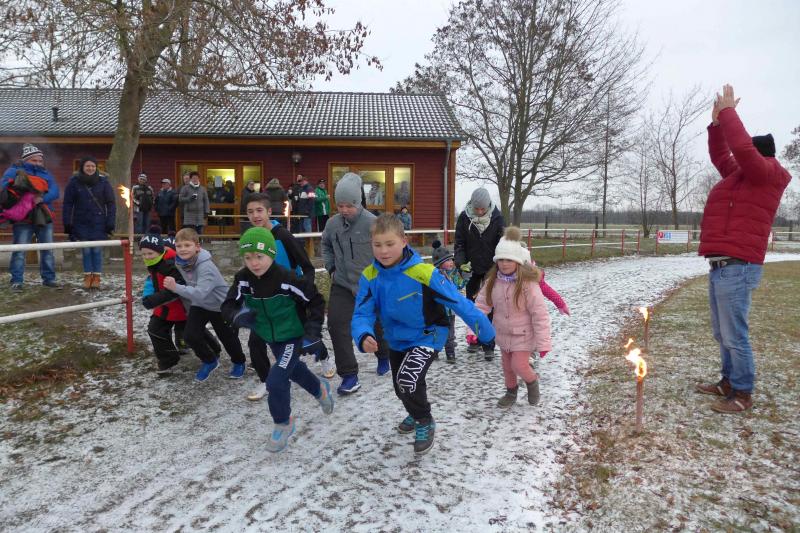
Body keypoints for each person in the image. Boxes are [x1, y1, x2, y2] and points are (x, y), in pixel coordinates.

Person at [352, 214, 495, 455]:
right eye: (377, 245)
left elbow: (458, 302)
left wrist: (486, 333)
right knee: (401, 388)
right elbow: (362, 313)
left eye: (390, 244)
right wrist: (363, 334)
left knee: (408, 380)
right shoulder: (370, 276)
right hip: (396, 339)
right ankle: (414, 410)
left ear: (404, 241)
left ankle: (424, 420)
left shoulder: (424, 273)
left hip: (429, 334)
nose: (383, 251)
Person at [695, 85, 792, 414]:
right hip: (722, 266)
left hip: (738, 267)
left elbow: (740, 148)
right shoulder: (742, 177)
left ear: (758, 156)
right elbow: (722, 156)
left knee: (734, 334)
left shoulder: (767, 174)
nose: (739, 159)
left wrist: (728, 113)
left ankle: (742, 393)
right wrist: (716, 126)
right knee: (722, 333)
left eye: (747, 154)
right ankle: (728, 381)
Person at [222, 227, 334, 452]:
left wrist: (312, 332)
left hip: (293, 335)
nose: (254, 263)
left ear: (271, 254)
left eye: (259, 256)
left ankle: (283, 423)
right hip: (270, 336)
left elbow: (315, 301)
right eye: (248, 257)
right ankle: (319, 389)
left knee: (275, 380)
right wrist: (236, 315)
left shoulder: (287, 278)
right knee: (293, 370)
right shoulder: (243, 279)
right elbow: (228, 304)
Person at [241, 193, 333, 401]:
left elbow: (307, 267)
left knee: (305, 337)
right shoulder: (250, 238)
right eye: (250, 212)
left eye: (259, 210)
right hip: (264, 300)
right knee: (255, 341)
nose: (255, 215)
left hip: (291, 297)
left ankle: (324, 356)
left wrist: (303, 294)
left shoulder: (283, 236)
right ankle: (266, 380)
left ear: (269, 212)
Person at [321, 172, 390, 395]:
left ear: (358, 202)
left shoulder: (373, 223)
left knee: (377, 323)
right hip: (342, 284)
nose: (344, 210)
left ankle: (384, 355)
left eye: (349, 206)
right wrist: (331, 268)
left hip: (369, 285)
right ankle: (349, 375)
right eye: (340, 205)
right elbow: (325, 245)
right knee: (336, 324)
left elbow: (387, 251)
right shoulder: (332, 224)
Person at [475, 227, 552, 408]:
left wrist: (544, 343)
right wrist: (473, 330)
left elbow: (540, 314)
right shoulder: (493, 282)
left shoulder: (528, 284)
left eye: (509, 259)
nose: (504, 264)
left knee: (519, 365)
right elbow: (480, 307)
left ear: (518, 261)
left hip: (524, 334)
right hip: (502, 334)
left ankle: (532, 382)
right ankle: (511, 392)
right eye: (500, 259)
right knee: (508, 367)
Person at [164, 228, 247, 382]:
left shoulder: (205, 266)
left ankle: (239, 362)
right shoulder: (180, 262)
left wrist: (176, 287)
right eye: (179, 246)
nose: (182, 249)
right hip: (200, 304)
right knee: (190, 336)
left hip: (219, 306)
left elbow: (200, 292)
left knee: (227, 338)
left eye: (187, 245)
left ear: (197, 246)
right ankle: (210, 360)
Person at [1, 143, 60, 290]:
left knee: (47, 249)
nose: (38, 163)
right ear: (25, 159)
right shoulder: (14, 171)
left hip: (44, 215)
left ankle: (49, 279)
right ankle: (17, 281)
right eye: (34, 160)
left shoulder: (46, 173)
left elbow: (55, 191)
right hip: (23, 217)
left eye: (40, 160)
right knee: (20, 250)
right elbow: (3, 187)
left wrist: (42, 199)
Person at [455, 187, 505, 358]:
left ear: (488, 206)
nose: (480, 211)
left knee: (489, 306)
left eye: (483, 209)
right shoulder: (464, 218)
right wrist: (461, 264)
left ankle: (488, 344)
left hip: (491, 269)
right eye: (477, 208)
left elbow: (502, 244)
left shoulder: (497, 218)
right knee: (472, 306)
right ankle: (474, 339)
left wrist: (501, 264)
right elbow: (459, 244)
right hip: (472, 269)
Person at [62, 156, 116, 289]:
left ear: (96, 168)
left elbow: (111, 203)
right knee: (86, 250)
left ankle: (97, 277)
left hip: (99, 221)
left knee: (97, 250)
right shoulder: (74, 182)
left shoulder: (104, 182)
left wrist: (110, 221)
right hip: (81, 221)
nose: (90, 168)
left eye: (93, 166)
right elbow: (68, 203)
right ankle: (87, 276)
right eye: (87, 166)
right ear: (82, 167)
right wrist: (67, 223)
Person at [138, 227, 187, 374]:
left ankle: (212, 352)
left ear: (160, 251)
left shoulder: (170, 264)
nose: (147, 257)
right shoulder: (154, 264)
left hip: (182, 307)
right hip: (165, 307)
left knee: (193, 334)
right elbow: (151, 282)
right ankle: (168, 361)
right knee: (155, 330)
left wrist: (154, 299)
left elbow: (177, 287)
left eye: (150, 253)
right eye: (144, 254)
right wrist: (148, 296)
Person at [431, 240, 469, 363]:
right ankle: (434, 352)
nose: (451, 262)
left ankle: (450, 353)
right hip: (437, 310)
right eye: (447, 260)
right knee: (437, 332)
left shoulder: (453, 274)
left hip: (450, 311)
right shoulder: (434, 276)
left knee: (450, 333)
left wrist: (466, 277)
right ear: (439, 264)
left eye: (451, 260)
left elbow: (459, 286)